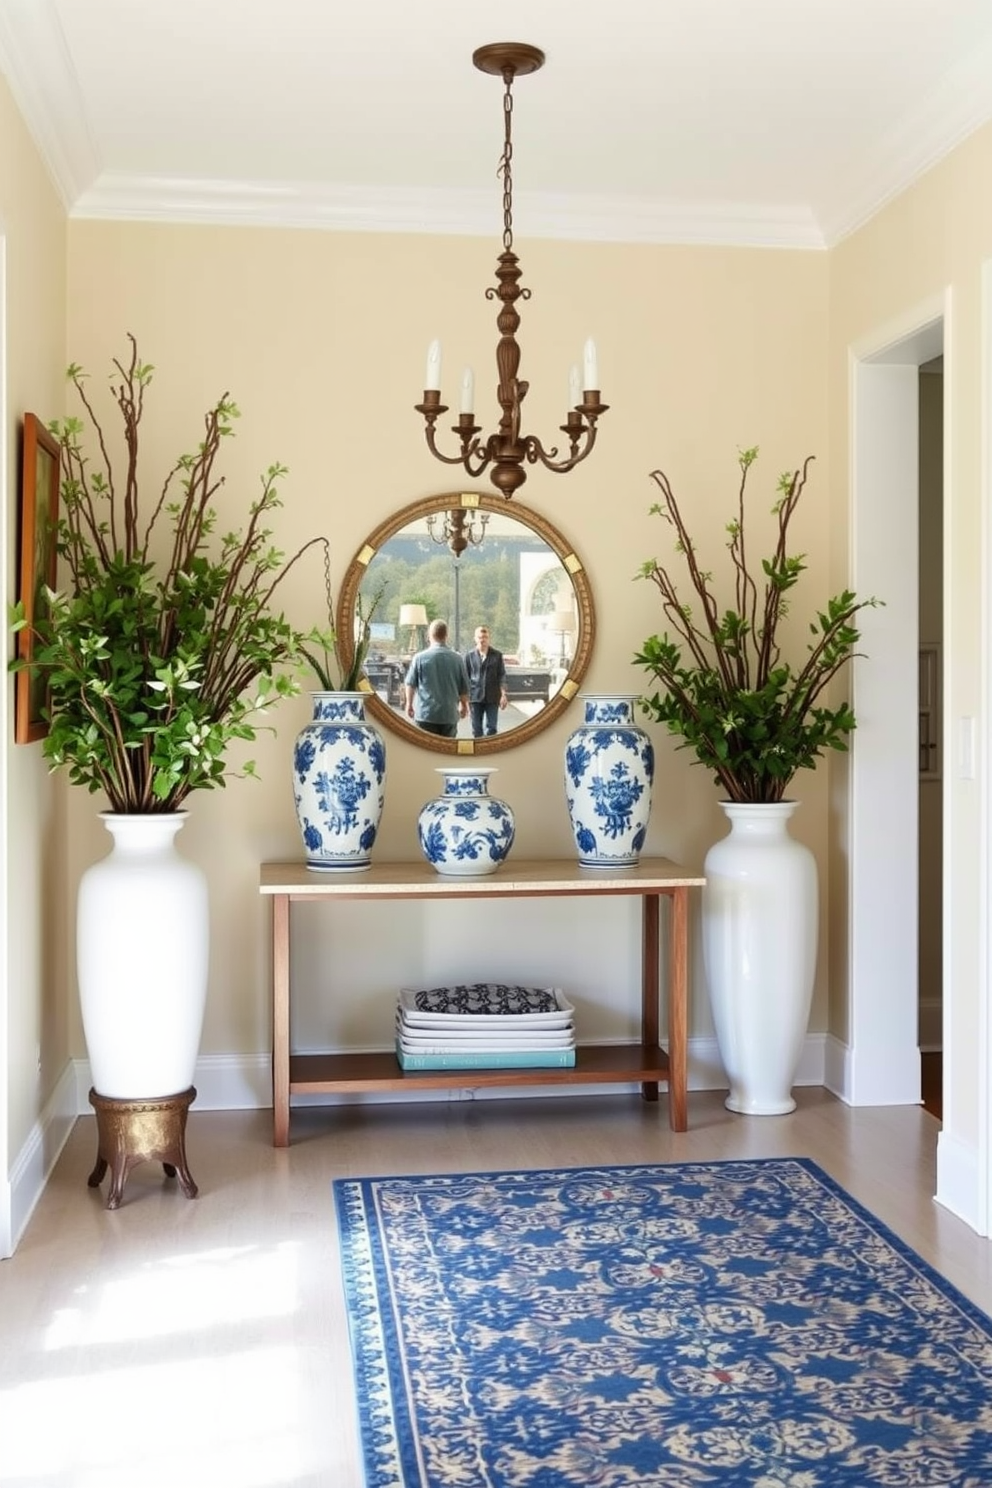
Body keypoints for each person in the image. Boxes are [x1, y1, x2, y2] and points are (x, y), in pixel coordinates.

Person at [404, 618, 469, 738]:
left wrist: (409, 704)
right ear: (446, 635)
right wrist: (464, 705)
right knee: (447, 752)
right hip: (449, 715)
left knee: (426, 753)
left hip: (426, 714)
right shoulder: (457, 659)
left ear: (429, 635)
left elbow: (410, 684)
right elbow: (463, 687)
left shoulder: (419, 658)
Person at [464, 625, 508, 738]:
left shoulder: (497, 656)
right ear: (475, 638)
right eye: (480, 637)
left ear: (489, 638)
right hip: (474, 698)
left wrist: (503, 695)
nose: (482, 640)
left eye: (485, 637)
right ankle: (478, 753)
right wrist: (463, 700)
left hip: (492, 697)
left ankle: (490, 752)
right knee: (476, 729)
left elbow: (502, 675)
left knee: (492, 728)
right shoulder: (469, 656)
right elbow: (465, 678)